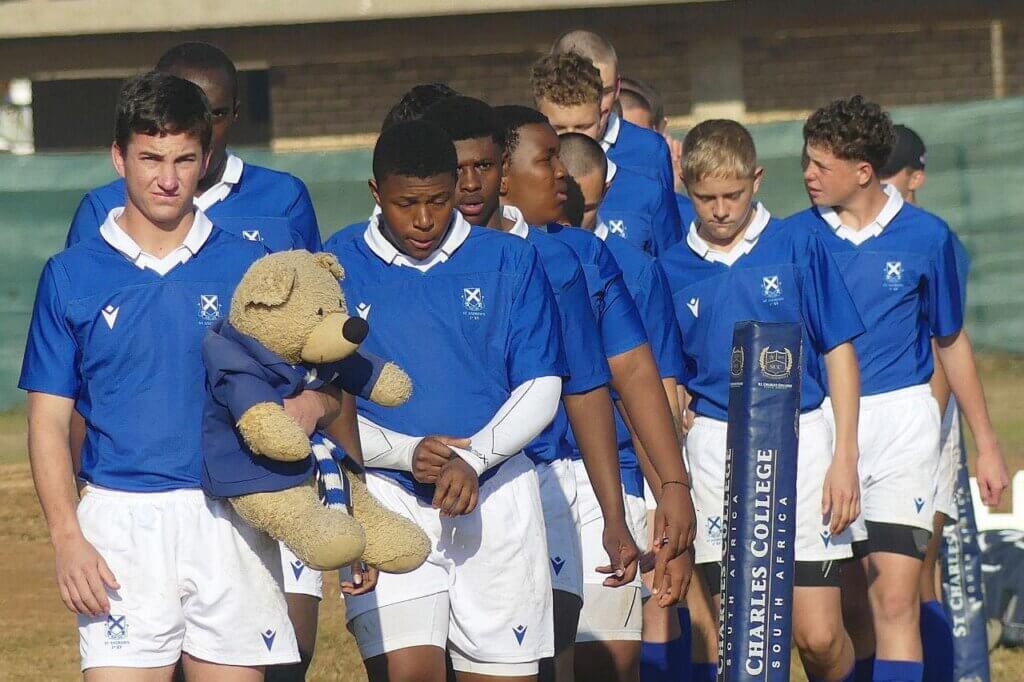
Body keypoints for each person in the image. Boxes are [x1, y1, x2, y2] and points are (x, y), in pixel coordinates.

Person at [20, 71, 302, 680]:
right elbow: (47, 422)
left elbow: (305, 396)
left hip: (230, 516)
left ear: (206, 161)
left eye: (183, 159)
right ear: (118, 157)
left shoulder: (251, 266)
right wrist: (68, 538)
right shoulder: (70, 275)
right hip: (119, 523)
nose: (168, 178)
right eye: (150, 158)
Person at [323, 119, 567, 682]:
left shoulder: (509, 260)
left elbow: (542, 386)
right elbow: (329, 399)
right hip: (388, 502)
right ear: (375, 193)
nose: (425, 219)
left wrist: (474, 459)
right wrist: (404, 454)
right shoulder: (335, 263)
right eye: (408, 204)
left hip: (498, 500)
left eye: (438, 200)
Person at [422, 95, 641, 682]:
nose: (562, 173)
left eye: (481, 167)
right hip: (421, 491)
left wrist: (651, 494)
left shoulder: (560, 259)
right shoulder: (390, 262)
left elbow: (601, 382)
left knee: (546, 664)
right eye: (547, 159)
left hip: (537, 480)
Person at [793, 96, 1009, 682]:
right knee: (850, 611)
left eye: (820, 164)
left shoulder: (927, 236)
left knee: (895, 603)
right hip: (821, 430)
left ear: (863, 171)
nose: (807, 174)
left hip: (903, 428)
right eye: (805, 161)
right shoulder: (794, 239)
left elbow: (951, 340)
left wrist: (986, 444)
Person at [496, 104, 696, 681]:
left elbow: (638, 380)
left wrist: (670, 488)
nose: (559, 174)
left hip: (595, 479)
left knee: (607, 663)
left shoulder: (593, 258)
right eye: (547, 159)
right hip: (506, 485)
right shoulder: (471, 260)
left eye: (563, 160)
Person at [661, 119, 865, 682]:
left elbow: (840, 352)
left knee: (818, 636)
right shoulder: (672, 268)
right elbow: (668, 373)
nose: (721, 209)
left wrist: (845, 456)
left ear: (757, 179)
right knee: (728, 635)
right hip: (712, 453)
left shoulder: (800, 245)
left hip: (801, 446)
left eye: (734, 195)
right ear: (685, 185)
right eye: (706, 198)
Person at [559, 131, 691, 682]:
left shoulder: (630, 270)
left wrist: (669, 487)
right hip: (525, 476)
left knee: (611, 660)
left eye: (589, 207)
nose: (580, 220)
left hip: (618, 474)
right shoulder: (508, 260)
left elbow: (651, 385)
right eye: (569, 206)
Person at [843, 124, 969, 682]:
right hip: (852, 426)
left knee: (916, 579)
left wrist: (931, 428)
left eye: (899, 174)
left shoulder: (930, 238)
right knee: (857, 593)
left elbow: (944, 341)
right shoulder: (830, 235)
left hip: (919, 420)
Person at [66, 42, 321, 253]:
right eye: (185, 115)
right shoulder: (101, 206)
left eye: (216, 114)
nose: (204, 128)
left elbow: (315, 303)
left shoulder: (284, 196)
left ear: (235, 113)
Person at [530, 52, 680, 256]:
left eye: (583, 126)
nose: (571, 136)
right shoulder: (521, 193)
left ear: (602, 115)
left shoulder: (646, 195)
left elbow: (669, 269)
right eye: (558, 128)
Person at [549, 30, 675, 198]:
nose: (597, 104)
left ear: (617, 87)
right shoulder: (528, 150)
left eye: (605, 92)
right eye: (583, 92)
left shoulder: (649, 149)